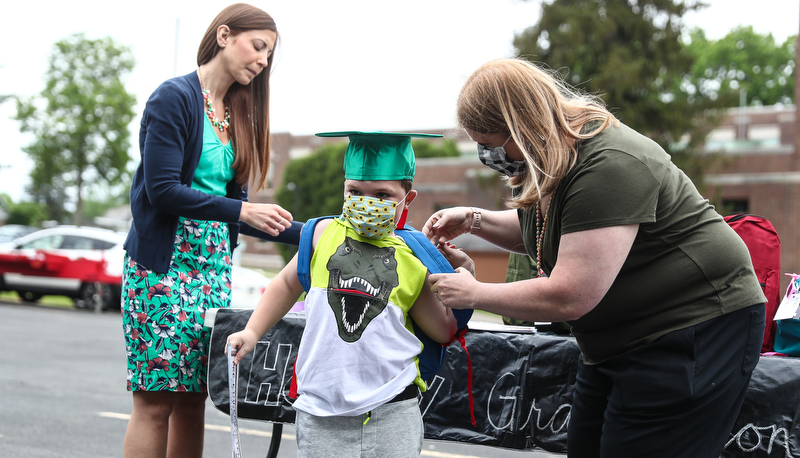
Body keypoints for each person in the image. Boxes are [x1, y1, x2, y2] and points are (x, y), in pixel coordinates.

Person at [424, 58, 767, 458]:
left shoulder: (608, 164)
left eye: (491, 142)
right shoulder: (556, 154)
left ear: (524, 124)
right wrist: (473, 220)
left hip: (694, 329)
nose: (487, 154)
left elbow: (571, 294)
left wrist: (474, 292)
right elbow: (551, 235)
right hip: (617, 341)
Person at [227, 131, 472, 458]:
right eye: (355, 191)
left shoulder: (414, 257)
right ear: (343, 189)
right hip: (320, 412)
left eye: (382, 194)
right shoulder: (320, 234)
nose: (367, 202)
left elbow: (443, 329)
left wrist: (465, 274)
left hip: (391, 411)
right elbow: (286, 284)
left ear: (406, 199)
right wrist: (253, 330)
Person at [120, 4, 296, 457]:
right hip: (161, 269)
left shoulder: (237, 112)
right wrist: (244, 213)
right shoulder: (173, 98)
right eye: (258, 47)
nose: (262, 61)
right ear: (223, 36)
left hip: (212, 268)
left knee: (195, 399)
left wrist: (322, 231)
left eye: (269, 55)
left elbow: (247, 215)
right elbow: (162, 190)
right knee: (156, 402)